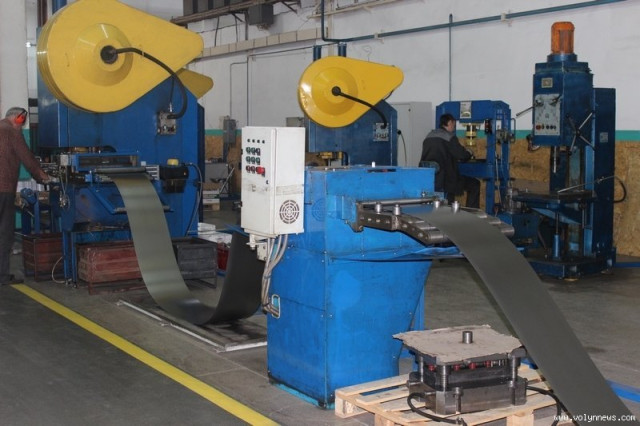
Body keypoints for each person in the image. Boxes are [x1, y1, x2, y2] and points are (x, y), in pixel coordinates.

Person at [0, 107, 50, 285]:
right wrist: (43, 177)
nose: (22, 126)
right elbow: (27, 158)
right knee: (4, 232)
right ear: (17, 118)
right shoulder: (12, 132)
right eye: (22, 122)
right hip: (3, 189)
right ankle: (2, 276)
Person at [419, 113, 480, 208]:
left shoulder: (429, 136)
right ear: (450, 122)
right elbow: (462, 155)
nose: (454, 128)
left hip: (429, 179)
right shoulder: (449, 137)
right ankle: (471, 214)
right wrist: (469, 152)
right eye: (454, 125)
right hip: (446, 181)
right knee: (475, 184)